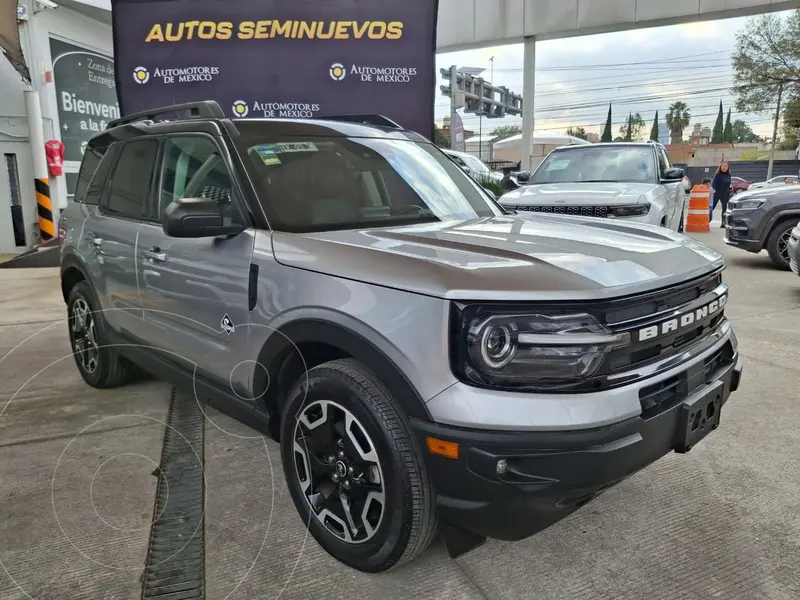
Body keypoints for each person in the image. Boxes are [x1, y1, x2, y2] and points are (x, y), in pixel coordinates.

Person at [710, 162, 732, 228]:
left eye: (725, 166)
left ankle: (723, 223)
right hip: (717, 193)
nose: (724, 168)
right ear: (720, 167)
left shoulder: (729, 175)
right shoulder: (718, 174)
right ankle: (706, 220)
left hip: (725, 193)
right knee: (711, 207)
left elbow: (729, 184)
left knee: (725, 208)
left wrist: (730, 187)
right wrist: (713, 189)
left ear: (728, 168)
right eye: (723, 166)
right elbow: (713, 183)